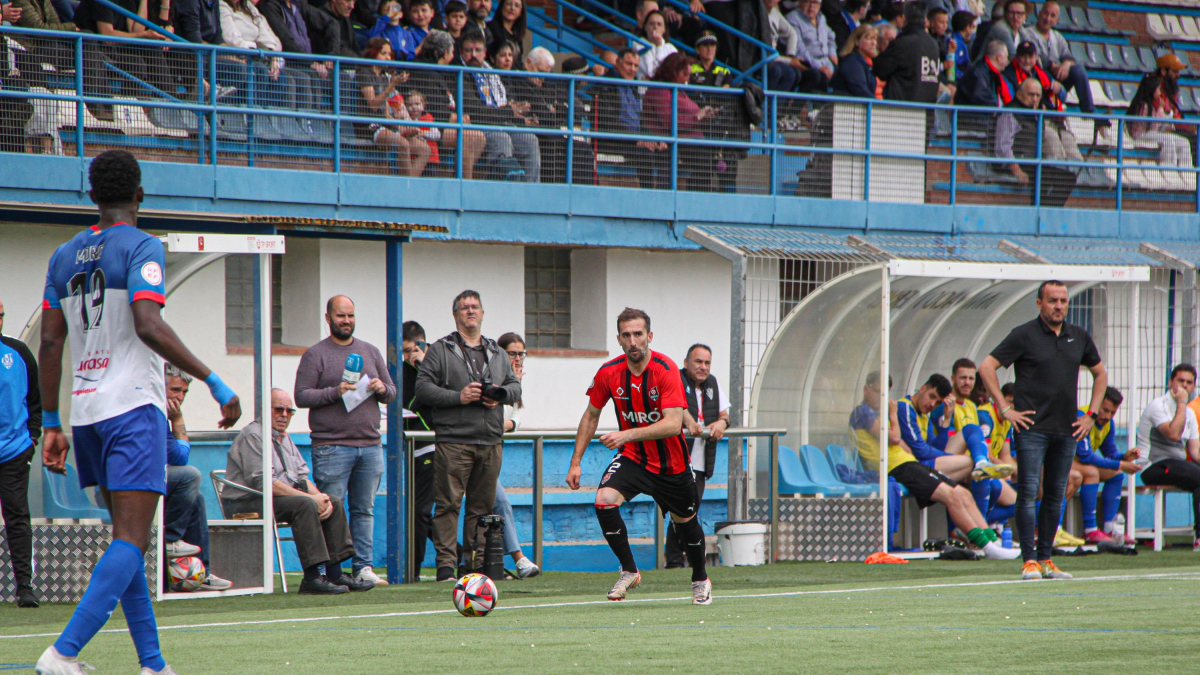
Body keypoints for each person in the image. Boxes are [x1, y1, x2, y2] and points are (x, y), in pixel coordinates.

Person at [35, 150, 242, 675]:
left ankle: (153, 663)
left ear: (93, 197)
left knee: (126, 542)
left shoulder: (62, 257)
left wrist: (52, 423)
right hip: (131, 409)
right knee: (132, 540)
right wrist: (213, 379)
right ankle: (63, 653)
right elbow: (148, 324)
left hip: (86, 413)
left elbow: (52, 346)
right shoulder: (143, 246)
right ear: (140, 194)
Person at [567, 308, 712, 605]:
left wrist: (625, 434)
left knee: (685, 522)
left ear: (649, 336)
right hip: (633, 457)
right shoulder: (608, 372)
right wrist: (575, 462)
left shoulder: (665, 369)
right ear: (619, 339)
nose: (633, 341)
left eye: (638, 334)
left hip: (671, 465)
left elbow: (673, 424)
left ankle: (700, 578)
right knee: (604, 500)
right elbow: (591, 415)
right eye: (627, 335)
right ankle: (629, 570)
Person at [979, 279, 1107, 581]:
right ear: (1040, 303)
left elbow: (1100, 374)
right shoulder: (1023, 335)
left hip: (1067, 429)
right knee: (1027, 492)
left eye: (1063, 300)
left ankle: (1047, 560)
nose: (1059, 306)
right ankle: (1029, 562)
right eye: (1053, 300)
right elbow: (986, 366)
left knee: (1055, 494)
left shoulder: (1079, 336)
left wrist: (1090, 414)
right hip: (1031, 429)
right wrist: (1005, 408)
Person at [849, 372, 1019, 560]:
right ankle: (987, 546)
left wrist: (944, 422)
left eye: (884, 393)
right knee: (952, 495)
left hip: (908, 464)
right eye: (877, 392)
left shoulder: (887, 415)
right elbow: (895, 438)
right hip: (897, 468)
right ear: (866, 390)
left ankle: (991, 540)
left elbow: (908, 444)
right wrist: (893, 415)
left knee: (964, 494)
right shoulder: (862, 412)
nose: (882, 398)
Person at [414, 290, 521, 581]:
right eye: (464, 308)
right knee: (448, 506)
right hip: (453, 440)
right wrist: (458, 397)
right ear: (455, 315)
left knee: (481, 508)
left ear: (483, 313)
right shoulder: (440, 349)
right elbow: (422, 389)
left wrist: (499, 397)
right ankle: (446, 569)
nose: (470, 311)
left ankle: (474, 566)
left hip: (490, 441)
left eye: (475, 307)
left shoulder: (497, 352)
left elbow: (515, 387)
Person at [224, 390, 372, 594]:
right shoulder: (253, 435)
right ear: (265, 410)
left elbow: (301, 477)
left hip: (276, 499)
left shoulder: (284, 437)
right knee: (305, 504)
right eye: (278, 409)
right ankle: (312, 578)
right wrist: (311, 499)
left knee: (334, 502)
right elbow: (265, 483)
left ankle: (335, 574)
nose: (284, 415)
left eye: (289, 411)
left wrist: (322, 499)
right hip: (247, 500)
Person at [294, 295, 396, 587]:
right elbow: (302, 396)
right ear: (328, 318)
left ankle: (363, 567)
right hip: (331, 446)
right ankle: (331, 571)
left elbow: (391, 391)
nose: (346, 321)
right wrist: (334, 392)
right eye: (341, 316)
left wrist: (380, 387)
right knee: (329, 508)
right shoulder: (316, 355)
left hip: (370, 445)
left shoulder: (370, 351)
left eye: (350, 315)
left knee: (364, 510)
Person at [161, 365, 232, 591]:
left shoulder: (162, 415)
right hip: (127, 482)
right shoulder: (151, 412)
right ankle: (170, 540)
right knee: (189, 475)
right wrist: (178, 419)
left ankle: (203, 573)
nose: (180, 397)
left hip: (150, 479)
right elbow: (179, 458)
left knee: (197, 499)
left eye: (184, 392)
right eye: (175, 390)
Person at [665, 343, 729, 569]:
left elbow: (725, 415)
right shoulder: (675, 379)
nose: (703, 367)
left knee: (691, 508)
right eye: (698, 361)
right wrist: (690, 421)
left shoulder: (713, 384)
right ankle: (674, 560)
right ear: (686, 363)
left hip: (702, 459)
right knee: (682, 508)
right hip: (677, 457)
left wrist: (722, 423)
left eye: (707, 362)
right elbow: (674, 407)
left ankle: (679, 560)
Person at [0, 297, 40, 608]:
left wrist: (34, 439)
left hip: (14, 451)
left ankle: (25, 588)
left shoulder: (18, 352)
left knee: (17, 518)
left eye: (0, 315)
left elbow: (36, 400)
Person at [459, 31, 541, 182]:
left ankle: (531, 193)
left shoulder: (492, 74)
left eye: (477, 50)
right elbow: (475, 111)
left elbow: (507, 107)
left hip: (500, 123)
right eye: (468, 50)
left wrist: (521, 119)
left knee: (530, 140)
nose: (473, 55)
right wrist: (509, 111)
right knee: (502, 139)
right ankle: (500, 189)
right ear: (461, 52)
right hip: (478, 127)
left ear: (484, 53)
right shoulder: (459, 74)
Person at [507, 50, 596, 184]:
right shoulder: (518, 79)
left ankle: (582, 195)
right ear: (528, 63)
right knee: (558, 146)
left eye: (546, 74)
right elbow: (545, 112)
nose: (543, 78)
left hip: (548, 129)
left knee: (583, 149)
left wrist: (555, 110)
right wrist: (551, 111)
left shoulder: (544, 83)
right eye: (540, 71)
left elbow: (566, 109)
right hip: (530, 131)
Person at [1137, 364, 1200, 552]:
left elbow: (1195, 452)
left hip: (1177, 465)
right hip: (1153, 466)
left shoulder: (1189, 414)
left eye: (1189, 383)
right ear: (1171, 382)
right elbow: (1173, 434)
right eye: (1180, 381)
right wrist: (1181, 403)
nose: (1184, 386)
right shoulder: (1158, 406)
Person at [409, 30, 487, 179]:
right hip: (428, 124)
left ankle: (464, 179)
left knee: (477, 136)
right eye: (452, 51)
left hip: (446, 124)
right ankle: (463, 184)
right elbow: (434, 109)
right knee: (471, 136)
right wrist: (456, 118)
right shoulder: (424, 71)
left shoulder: (440, 72)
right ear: (445, 53)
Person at [493, 332, 540, 578]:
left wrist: (511, 424)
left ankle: (490, 563)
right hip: (475, 451)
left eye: (522, 354)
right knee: (501, 503)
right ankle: (519, 560)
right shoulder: (493, 378)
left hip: (494, 451)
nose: (518, 359)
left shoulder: (514, 382)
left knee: (491, 508)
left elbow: (515, 417)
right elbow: (495, 419)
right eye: (513, 353)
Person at [351, 38, 432, 176]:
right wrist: (391, 86)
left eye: (389, 55)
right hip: (368, 125)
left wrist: (404, 128)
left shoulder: (384, 76)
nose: (387, 58)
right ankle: (406, 186)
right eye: (383, 53)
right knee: (403, 144)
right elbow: (374, 105)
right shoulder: (365, 73)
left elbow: (387, 113)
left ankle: (410, 184)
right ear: (373, 53)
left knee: (424, 149)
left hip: (385, 125)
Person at [994, 77, 1079, 208]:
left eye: (1037, 96)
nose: (1034, 99)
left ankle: (1046, 211)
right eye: (1030, 94)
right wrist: (1017, 170)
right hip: (1017, 161)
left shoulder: (1035, 114)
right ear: (1019, 94)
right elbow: (1002, 147)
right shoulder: (1010, 112)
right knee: (1044, 177)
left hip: (1032, 161)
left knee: (1067, 178)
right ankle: (1038, 212)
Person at [1071, 387, 1139, 544]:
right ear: (1096, 404)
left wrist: (1124, 457)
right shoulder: (1081, 416)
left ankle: (1110, 529)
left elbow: (1110, 453)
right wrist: (1119, 464)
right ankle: (1090, 530)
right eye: (1105, 410)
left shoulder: (1109, 424)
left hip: (1080, 466)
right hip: (1064, 464)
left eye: (1112, 413)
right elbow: (1085, 456)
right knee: (1093, 472)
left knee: (1116, 475)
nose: (1107, 416)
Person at [642, 52, 717, 190]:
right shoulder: (660, 89)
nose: (687, 79)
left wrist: (705, 115)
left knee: (714, 155)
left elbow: (691, 114)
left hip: (690, 140)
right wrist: (697, 118)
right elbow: (668, 121)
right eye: (684, 74)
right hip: (671, 141)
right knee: (706, 158)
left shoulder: (680, 91)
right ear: (673, 71)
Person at [595, 48, 667, 189]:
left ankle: (665, 197)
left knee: (665, 149)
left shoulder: (633, 87)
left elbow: (641, 120)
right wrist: (636, 140)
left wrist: (655, 139)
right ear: (617, 62)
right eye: (629, 64)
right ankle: (648, 195)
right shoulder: (606, 84)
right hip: (613, 140)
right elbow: (608, 122)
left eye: (635, 66)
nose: (632, 69)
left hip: (634, 140)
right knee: (644, 153)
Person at [401, 321, 436, 579]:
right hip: (409, 447)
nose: (407, 357)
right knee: (417, 511)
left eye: (411, 350)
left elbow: (433, 399)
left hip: (434, 445)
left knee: (421, 510)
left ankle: (413, 569)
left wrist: (423, 367)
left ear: (422, 345)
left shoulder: (437, 363)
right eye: (403, 352)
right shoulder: (400, 371)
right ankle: (459, 554)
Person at [896, 374, 973, 484]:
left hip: (923, 466)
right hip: (910, 469)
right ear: (923, 389)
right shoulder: (905, 407)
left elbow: (936, 447)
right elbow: (920, 451)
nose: (932, 404)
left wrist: (947, 419)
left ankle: (983, 466)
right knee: (969, 462)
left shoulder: (925, 415)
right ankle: (982, 464)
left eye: (938, 402)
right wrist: (950, 458)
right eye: (932, 396)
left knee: (972, 432)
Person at [1022, 1, 1093, 116]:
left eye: (1053, 16)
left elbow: (1069, 57)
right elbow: (1034, 58)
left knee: (1078, 70)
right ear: (1039, 14)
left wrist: (1066, 64)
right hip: (1038, 78)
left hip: (1056, 77)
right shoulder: (1028, 33)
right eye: (1045, 13)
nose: (1048, 18)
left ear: (1057, 20)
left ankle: (1089, 112)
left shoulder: (1057, 36)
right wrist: (1053, 66)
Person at [1126, 55, 1195, 169]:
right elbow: (1152, 124)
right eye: (1174, 71)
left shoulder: (1171, 89)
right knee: (1169, 140)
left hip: (1159, 130)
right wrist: (1161, 112)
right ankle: (1167, 170)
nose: (1178, 75)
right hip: (1144, 134)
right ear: (1163, 71)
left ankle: (1188, 173)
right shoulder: (1145, 103)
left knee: (1185, 142)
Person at [872, 0, 939, 103]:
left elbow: (880, 70)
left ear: (904, 18)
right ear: (925, 20)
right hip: (927, 111)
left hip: (903, 111)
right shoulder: (934, 44)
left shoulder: (902, 43)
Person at [762, 0, 827, 95]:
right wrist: (789, 61)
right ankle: (767, 107)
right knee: (783, 72)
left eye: (815, 3)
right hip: (762, 59)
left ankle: (789, 108)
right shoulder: (757, 13)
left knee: (807, 74)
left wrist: (790, 55)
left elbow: (792, 34)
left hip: (775, 58)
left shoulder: (775, 13)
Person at [788, 0, 836, 81]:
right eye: (807, 1)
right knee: (817, 75)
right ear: (800, 2)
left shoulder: (821, 18)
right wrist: (819, 67)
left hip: (825, 61)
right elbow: (800, 49)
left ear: (820, 5)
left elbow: (831, 36)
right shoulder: (793, 18)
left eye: (815, 3)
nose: (811, 6)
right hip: (805, 62)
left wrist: (832, 54)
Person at [953, 39, 1008, 107]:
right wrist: (996, 111)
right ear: (999, 57)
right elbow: (981, 97)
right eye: (1006, 57)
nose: (1007, 61)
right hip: (969, 117)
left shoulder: (989, 72)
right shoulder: (977, 73)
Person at [830, 22, 877, 98]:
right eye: (869, 38)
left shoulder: (867, 62)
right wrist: (879, 105)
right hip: (847, 106)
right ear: (856, 41)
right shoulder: (852, 61)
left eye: (875, 39)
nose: (874, 43)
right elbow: (860, 90)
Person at [636, 10, 678, 81]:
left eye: (659, 24)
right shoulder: (638, 45)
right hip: (646, 90)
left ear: (664, 29)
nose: (655, 27)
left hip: (668, 90)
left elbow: (676, 73)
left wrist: (659, 45)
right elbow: (651, 73)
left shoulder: (671, 48)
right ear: (645, 27)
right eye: (651, 24)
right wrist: (659, 46)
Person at [983, 0, 1025, 66]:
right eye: (1011, 13)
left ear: (1024, 16)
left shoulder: (1022, 30)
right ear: (1005, 14)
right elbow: (1014, 57)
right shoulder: (1001, 29)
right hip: (986, 69)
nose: (1015, 17)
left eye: (1019, 13)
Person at [485, 0, 524, 66]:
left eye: (517, 5)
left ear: (521, 12)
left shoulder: (517, 36)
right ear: (502, 6)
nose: (512, 8)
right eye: (509, 4)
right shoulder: (491, 27)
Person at [947, 10, 974, 81]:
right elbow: (954, 70)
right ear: (967, 28)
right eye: (972, 27)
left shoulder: (961, 43)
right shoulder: (954, 43)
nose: (973, 32)